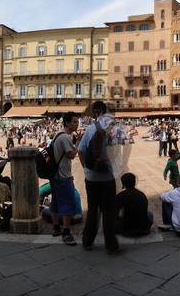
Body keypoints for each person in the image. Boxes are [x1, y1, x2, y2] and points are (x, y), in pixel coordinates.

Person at [76, 101, 125, 256]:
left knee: (92, 210)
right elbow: (118, 152)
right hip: (108, 176)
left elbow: (81, 151)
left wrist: (86, 169)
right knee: (109, 212)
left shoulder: (91, 128)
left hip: (91, 177)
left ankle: (87, 241)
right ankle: (111, 246)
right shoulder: (116, 127)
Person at [48, 112, 80, 246]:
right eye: (74, 122)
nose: (77, 124)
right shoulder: (65, 137)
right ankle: (66, 232)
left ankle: (56, 227)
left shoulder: (57, 135)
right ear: (67, 123)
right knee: (68, 202)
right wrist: (78, 143)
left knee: (55, 201)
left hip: (54, 175)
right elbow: (71, 155)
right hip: (63, 176)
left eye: (77, 122)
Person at [116, 172, 153, 237]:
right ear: (134, 182)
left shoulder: (120, 196)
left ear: (123, 184)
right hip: (143, 229)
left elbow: (115, 213)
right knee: (149, 214)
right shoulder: (142, 195)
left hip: (126, 230)